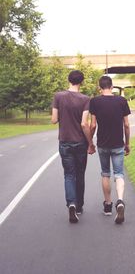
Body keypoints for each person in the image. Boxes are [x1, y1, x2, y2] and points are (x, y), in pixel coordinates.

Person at [51, 70, 95, 224]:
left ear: (68, 80)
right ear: (81, 82)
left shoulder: (58, 96)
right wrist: (90, 143)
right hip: (80, 143)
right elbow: (84, 124)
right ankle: (79, 207)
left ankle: (71, 203)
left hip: (64, 142)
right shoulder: (85, 99)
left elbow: (54, 120)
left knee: (69, 174)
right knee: (80, 174)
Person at [89, 76, 131, 224]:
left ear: (99, 87)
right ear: (112, 86)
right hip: (118, 144)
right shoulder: (121, 101)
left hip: (103, 144)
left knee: (105, 173)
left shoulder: (94, 102)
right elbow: (126, 124)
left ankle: (108, 205)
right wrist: (128, 143)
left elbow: (93, 125)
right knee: (119, 173)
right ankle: (120, 201)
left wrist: (90, 143)